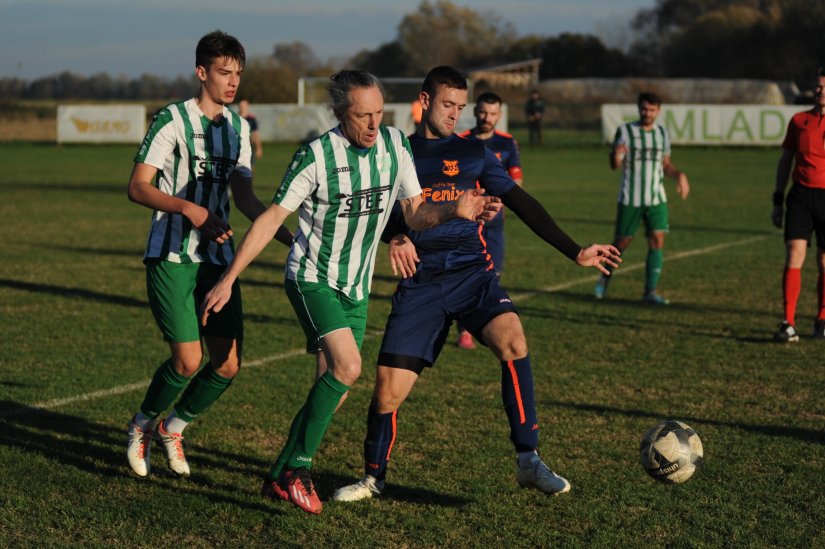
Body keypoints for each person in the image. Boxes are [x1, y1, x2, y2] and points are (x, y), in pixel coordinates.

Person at [199, 69, 499, 514]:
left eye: (379, 113)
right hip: (312, 277)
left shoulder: (395, 146)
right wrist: (228, 278)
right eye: (363, 116)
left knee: (335, 387)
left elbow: (414, 215)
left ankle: (278, 472)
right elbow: (270, 218)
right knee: (348, 366)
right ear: (341, 113)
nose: (374, 124)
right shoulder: (316, 156)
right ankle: (297, 469)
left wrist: (455, 208)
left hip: (356, 287)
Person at [333, 66, 621, 504]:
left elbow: (521, 201)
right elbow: (380, 212)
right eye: (448, 105)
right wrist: (396, 236)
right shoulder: (395, 151)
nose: (455, 115)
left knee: (513, 340)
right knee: (387, 391)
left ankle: (529, 460)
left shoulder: (474, 154)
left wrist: (575, 249)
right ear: (425, 101)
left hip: (472, 272)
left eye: (460, 107)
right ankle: (373, 478)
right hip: (421, 282)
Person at [124, 30, 293, 479]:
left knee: (228, 363)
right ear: (202, 72)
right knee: (188, 360)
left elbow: (245, 199)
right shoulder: (171, 120)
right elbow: (138, 187)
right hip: (172, 254)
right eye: (224, 72)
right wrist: (189, 209)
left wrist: (288, 234)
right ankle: (142, 424)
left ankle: (174, 428)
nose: (232, 81)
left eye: (238, 73)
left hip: (218, 260)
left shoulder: (239, 128)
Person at [594, 91, 689, 305]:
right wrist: (615, 155)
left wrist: (680, 175)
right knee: (621, 243)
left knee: (657, 240)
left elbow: (666, 164)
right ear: (639, 108)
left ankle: (650, 292)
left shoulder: (663, 134)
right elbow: (614, 166)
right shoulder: (626, 131)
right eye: (644, 109)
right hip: (630, 198)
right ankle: (604, 279)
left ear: (658, 111)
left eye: (652, 110)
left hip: (656, 198)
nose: (647, 113)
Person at [454, 91, 523, 349]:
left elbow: (516, 180)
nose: (487, 117)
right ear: (475, 112)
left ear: (500, 115)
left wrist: (505, 200)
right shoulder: (462, 141)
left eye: (493, 113)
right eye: (483, 112)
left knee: (494, 274)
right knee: (469, 275)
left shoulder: (507, 143)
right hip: (468, 222)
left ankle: (479, 321)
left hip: (494, 223)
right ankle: (464, 330)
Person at [771, 68, 825, 342]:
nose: (821, 91)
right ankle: (788, 323)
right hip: (801, 196)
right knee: (795, 256)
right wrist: (778, 199)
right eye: (818, 87)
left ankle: (822, 319)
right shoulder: (799, 120)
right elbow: (785, 161)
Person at [238, 99, 263, 164]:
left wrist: (259, 148)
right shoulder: (235, 118)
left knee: (249, 169)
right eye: (241, 106)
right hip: (238, 147)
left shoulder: (251, 119)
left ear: (247, 106)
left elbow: (256, 134)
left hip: (249, 147)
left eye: (244, 106)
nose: (242, 108)